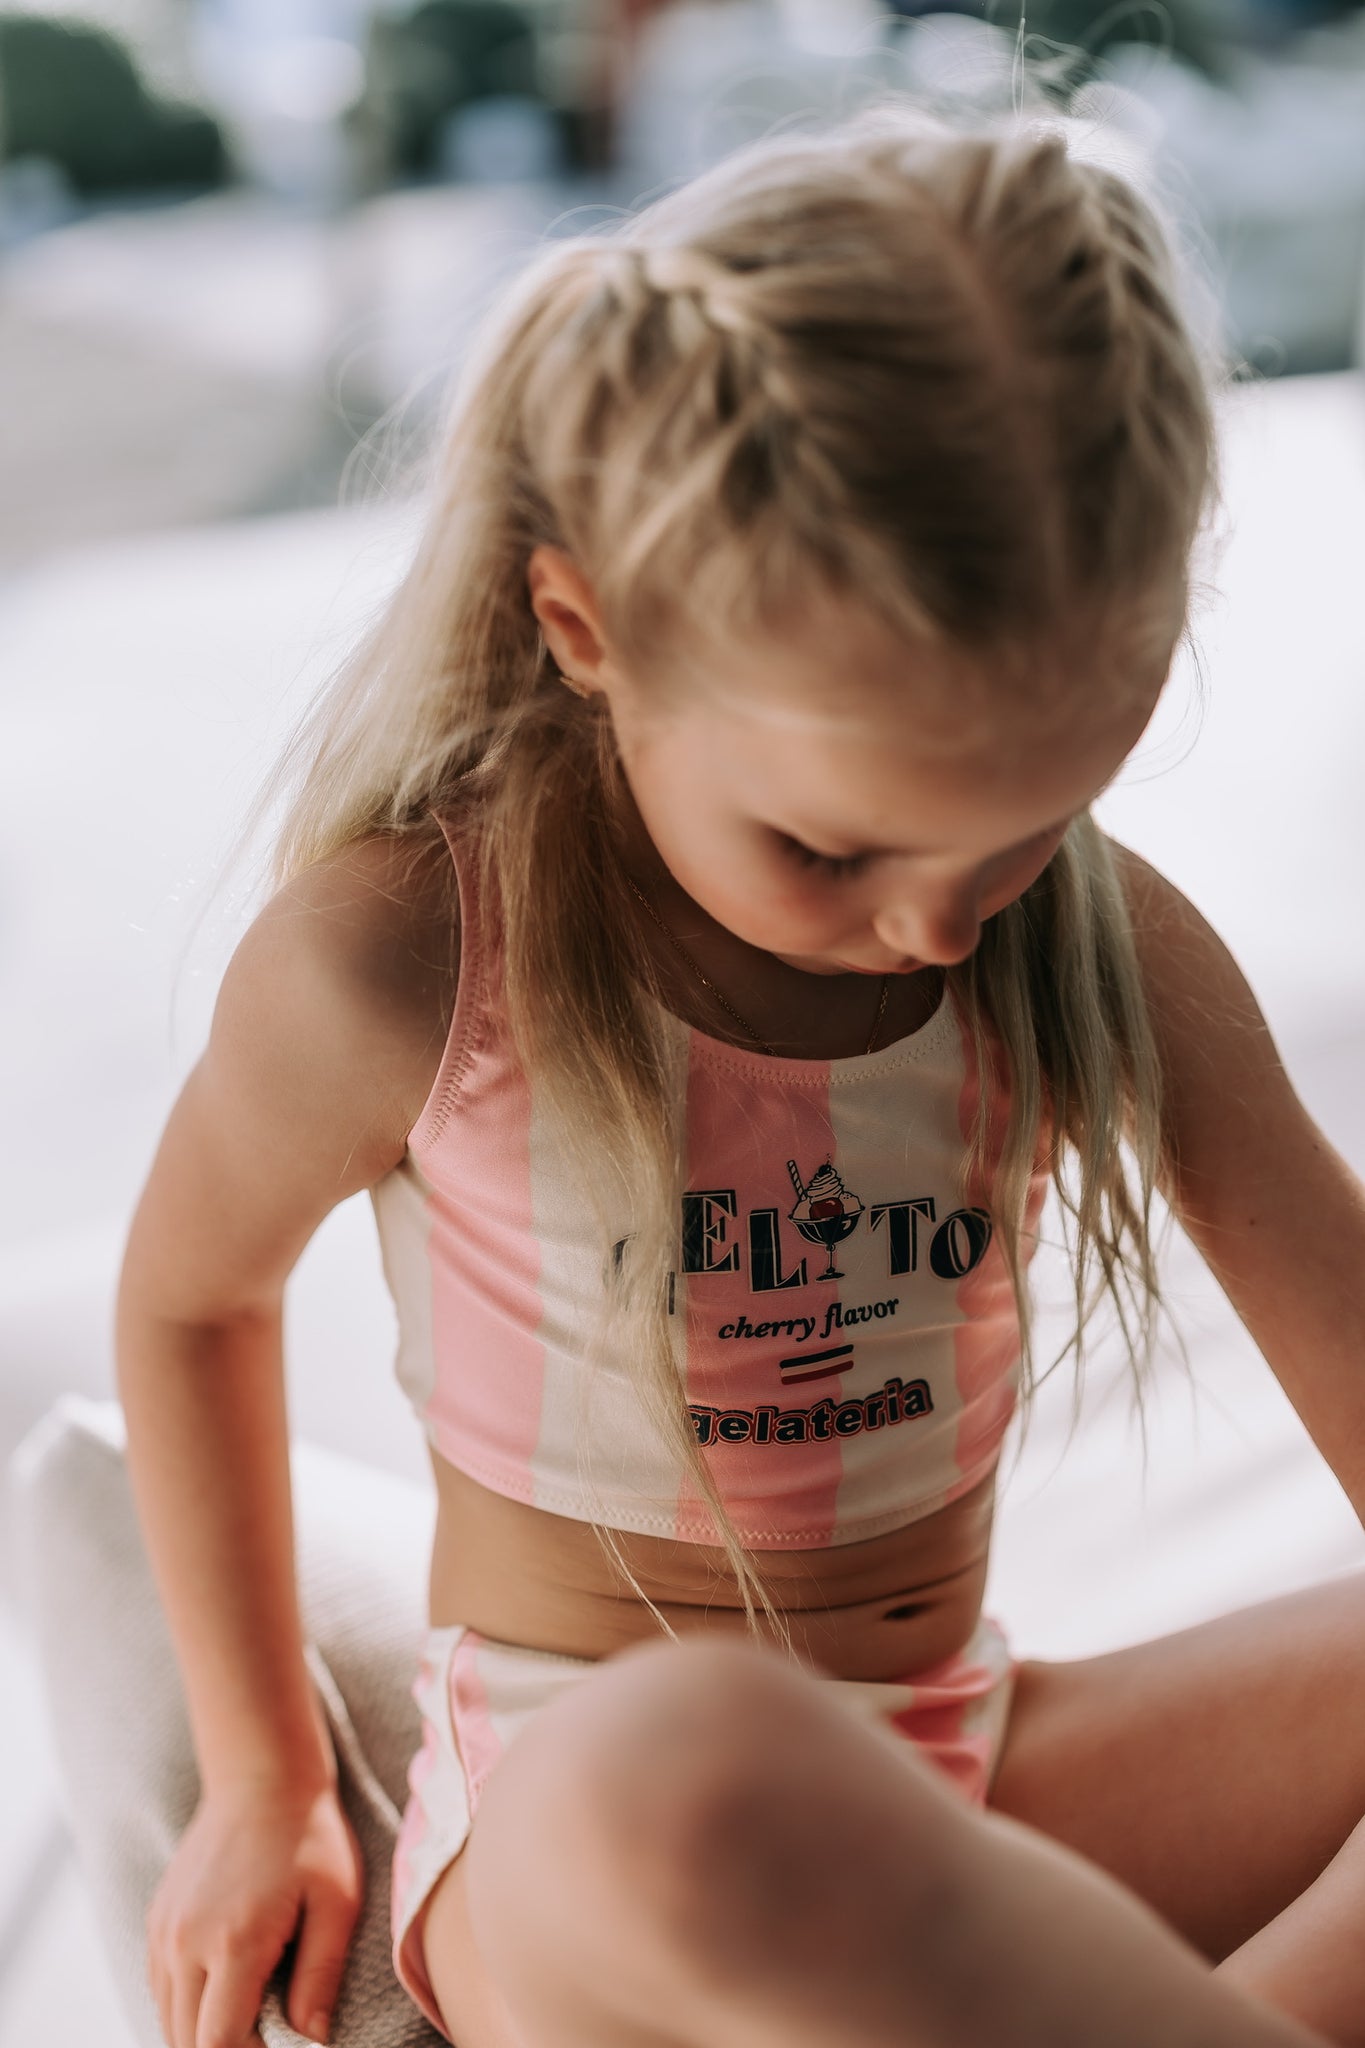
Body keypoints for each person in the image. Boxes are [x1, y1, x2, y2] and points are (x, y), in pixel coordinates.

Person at [115, 104, 1365, 2048]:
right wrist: (263, 1774)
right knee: (693, 1756)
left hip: (976, 1773)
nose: (936, 928)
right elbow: (193, 1299)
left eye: (1027, 830)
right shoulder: (409, 962)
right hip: (588, 1835)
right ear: (584, 629)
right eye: (830, 847)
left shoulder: (1105, 945)